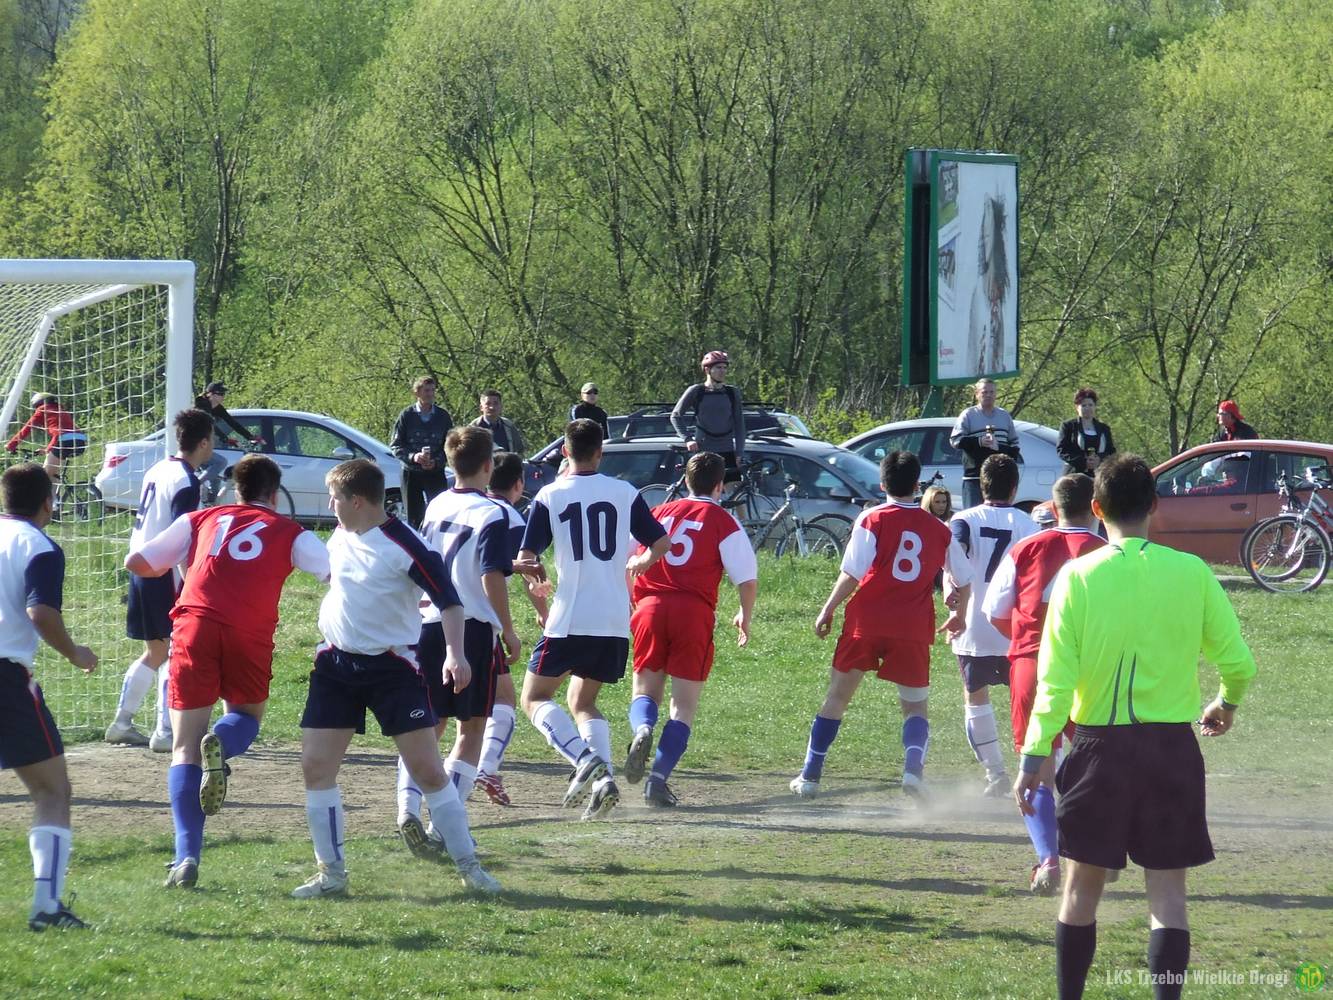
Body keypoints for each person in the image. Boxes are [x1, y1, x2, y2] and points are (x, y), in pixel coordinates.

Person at [1013, 455, 1257, 1000]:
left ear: (1096, 509)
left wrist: (1034, 756)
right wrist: (1226, 703)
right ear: (1154, 506)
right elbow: (1239, 665)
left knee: (1080, 892)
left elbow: (1054, 684)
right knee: (1168, 897)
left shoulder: (1077, 576)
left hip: (1099, 751)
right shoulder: (1192, 572)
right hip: (1171, 749)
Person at [125, 454, 330, 889]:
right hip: (249, 631)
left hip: (195, 625)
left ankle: (186, 856)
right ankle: (222, 740)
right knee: (246, 716)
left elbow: (138, 562)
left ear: (236, 490)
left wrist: (183, 569)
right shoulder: (289, 530)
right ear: (274, 495)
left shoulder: (200, 519)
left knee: (184, 747)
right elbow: (335, 572)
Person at [296, 459, 499, 898]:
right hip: (335, 666)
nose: (330, 506)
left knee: (428, 770)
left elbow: (450, 602)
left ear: (357, 501)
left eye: (335, 498)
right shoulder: (342, 532)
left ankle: (470, 868)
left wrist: (455, 655)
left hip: (392, 669)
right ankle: (331, 875)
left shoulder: (405, 545)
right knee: (316, 767)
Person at [790, 451, 971, 799]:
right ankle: (913, 772)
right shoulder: (939, 529)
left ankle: (810, 776)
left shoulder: (872, 518)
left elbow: (852, 572)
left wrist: (827, 608)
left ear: (882, 484)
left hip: (866, 621)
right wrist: (959, 613)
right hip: (912, 627)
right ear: (918, 486)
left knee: (837, 698)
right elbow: (963, 578)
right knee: (915, 707)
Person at [516, 418, 669, 820]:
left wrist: (536, 581)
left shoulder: (550, 494)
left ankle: (586, 762)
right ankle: (604, 786)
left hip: (570, 615)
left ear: (565, 452)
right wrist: (641, 562)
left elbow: (527, 557)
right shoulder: (624, 492)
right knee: (583, 702)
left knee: (533, 698)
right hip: (613, 618)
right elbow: (661, 542)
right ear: (601, 452)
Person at [394, 427, 527, 831]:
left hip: (427, 621)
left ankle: (407, 810)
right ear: (488, 466)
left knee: (427, 727)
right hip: (469, 626)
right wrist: (508, 629)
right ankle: (443, 825)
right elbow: (491, 575)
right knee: (471, 729)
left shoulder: (436, 503)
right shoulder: (491, 513)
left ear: (451, 464)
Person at [981, 474, 1104, 897]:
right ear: (1096, 507)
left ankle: (1048, 859)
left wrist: (1023, 641)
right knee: (1095, 760)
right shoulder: (1107, 551)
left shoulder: (1026, 547)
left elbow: (994, 611)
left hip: (1032, 661)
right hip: (1090, 663)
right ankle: (1096, 851)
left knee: (1038, 763)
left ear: (1053, 509)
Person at [625, 452, 758, 807]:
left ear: (685, 480)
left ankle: (642, 728)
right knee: (682, 706)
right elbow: (746, 579)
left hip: (650, 607)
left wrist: (631, 602)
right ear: (720, 486)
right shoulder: (722, 520)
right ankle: (657, 781)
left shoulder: (658, 512)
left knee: (645, 690)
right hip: (692, 612)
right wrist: (744, 614)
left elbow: (628, 561)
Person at [0, 463, 98, 931]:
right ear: (48, 502)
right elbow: (40, 613)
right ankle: (46, 906)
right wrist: (76, 653)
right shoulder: (38, 545)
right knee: (52, 791)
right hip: (5, 677)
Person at [105, 408, 214, 751]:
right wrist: (191, 582)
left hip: (141, 567)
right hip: (163, 573)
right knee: (174, 650)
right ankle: (165, 732)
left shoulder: (159, 468)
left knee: (155, 651)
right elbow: (182, 536)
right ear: (204, 442)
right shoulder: (186, 480)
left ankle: (122, 722)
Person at [942, 454, 1039, 798]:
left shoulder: (963, 520)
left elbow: (953, 561)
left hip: (973, 623)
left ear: (981, 485)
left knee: (975, 696)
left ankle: (995, 773)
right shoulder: (1028, 524)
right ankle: (1036, 771)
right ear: (1014, 487)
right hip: (1015, 626)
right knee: (1029, 699)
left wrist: (951, 594)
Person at [473, 451, 550, 807]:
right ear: (519, 484)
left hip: (431, 618)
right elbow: (528, 567)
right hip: (476, 620)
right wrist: (542, 613)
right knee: (502, 699)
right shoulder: (508, 516)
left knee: (445, 713)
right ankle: (483, 769)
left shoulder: (455, 504)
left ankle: (413, 798)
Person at [390, 376, 454, 529]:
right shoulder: (406, 416)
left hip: (435, 473)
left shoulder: (443, 416)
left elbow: (451, 445)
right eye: (426, 390)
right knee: (414, 517)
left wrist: (436, 461)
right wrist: (413, 457)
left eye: (432, 390)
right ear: (417, 392)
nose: (430, 394)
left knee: (440, 514)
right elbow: (396, 445)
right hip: (411, 473)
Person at [949, 378, 1021, 510]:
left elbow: (1015, 447)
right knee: (974, 515)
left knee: (998, 515)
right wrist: (979, 442)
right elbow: (955, 440)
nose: (988, 395)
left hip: (1000, 478)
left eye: (991, 392)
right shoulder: (968, 415)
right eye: (984, 392)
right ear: (977, 394)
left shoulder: (1004, 416)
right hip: (975, 478)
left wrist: (999, 448)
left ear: (996, 394)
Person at [670, 351, 745, 473]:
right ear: (707, 370)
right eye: (718, 367)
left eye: (725, 368)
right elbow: (675, 416)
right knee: (703, 484)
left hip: (727, 448)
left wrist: (739, 452)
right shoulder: (696, 391)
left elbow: (740, 424)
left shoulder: (732, 392)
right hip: (703, 449)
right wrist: (688, 439)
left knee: (733, 484)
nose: (723, 371)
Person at [192, 382, 263, 505]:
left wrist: (251, 436)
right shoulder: (201, 406)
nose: (223, 396)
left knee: (215, 481)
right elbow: (211, 425)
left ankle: (210, 506)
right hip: (194, 444)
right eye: (220, 393)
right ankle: (193, 485)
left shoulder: (217, 408)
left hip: (203, 444)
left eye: (224, 394)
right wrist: (226, 439)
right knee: (221, 462)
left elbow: (232, 423)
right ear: (210, 394)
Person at [5, 393, 90, 488]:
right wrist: (46, 450)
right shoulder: (60, 410)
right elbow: (62, 431)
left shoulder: (42, 410)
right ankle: (55, 497)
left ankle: (45, 497)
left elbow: (26, 429)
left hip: (64, 442)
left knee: (44, 477)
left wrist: (11, 445)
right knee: (52, 474)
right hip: (80, 442)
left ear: (37, 404)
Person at [1056, 388, 1116, 476]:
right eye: (1084, 405)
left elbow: (1111, 452)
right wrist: (1084, 462)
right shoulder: (1068, 426)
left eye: (1090, 405)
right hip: (1074, 474)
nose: (1087, 408)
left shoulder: (1104, 428)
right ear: (1077, 407)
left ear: (1095, 406)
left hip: (1099, 474)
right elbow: (1062, 451)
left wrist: (1099, 459)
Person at [471, 388, 527, 456]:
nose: (492, 407)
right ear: (481, 407)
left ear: (501, 406)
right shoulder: (472, 429)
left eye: (496, 403)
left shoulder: (509, 426)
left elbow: (519, 451)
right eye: (488, 404)